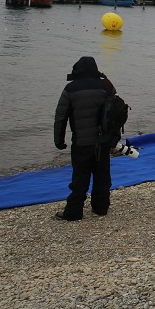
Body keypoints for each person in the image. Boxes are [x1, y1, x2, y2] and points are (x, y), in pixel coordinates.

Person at [53, 56, 117, 221]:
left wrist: (59, 140)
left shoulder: (70, 89)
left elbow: (61, 117)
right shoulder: (106, 86)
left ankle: (74, 211)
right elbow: (114, 112)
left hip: (81, 142)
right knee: (102, 175)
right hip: (102, 142)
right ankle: (101, 208)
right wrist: (113, 138)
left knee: (80, 177)